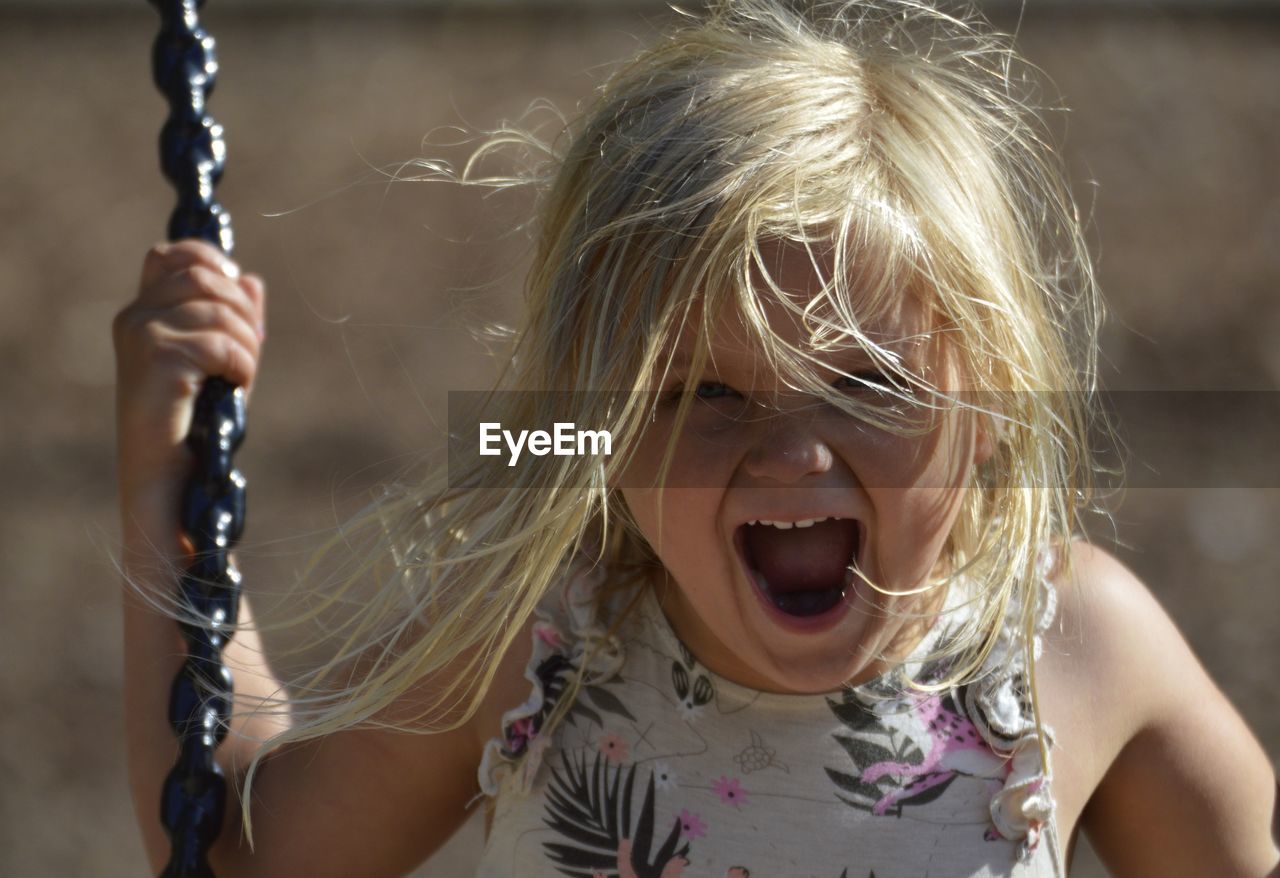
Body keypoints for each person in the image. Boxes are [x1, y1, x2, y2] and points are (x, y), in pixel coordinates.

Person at [112, 1, 1279, 875]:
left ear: (991, 408)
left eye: (865, 380)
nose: (789, 455)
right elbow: (231, 844)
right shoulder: (540, 641)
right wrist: (167, 469)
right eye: (699, 395)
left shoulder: (1068, 641)